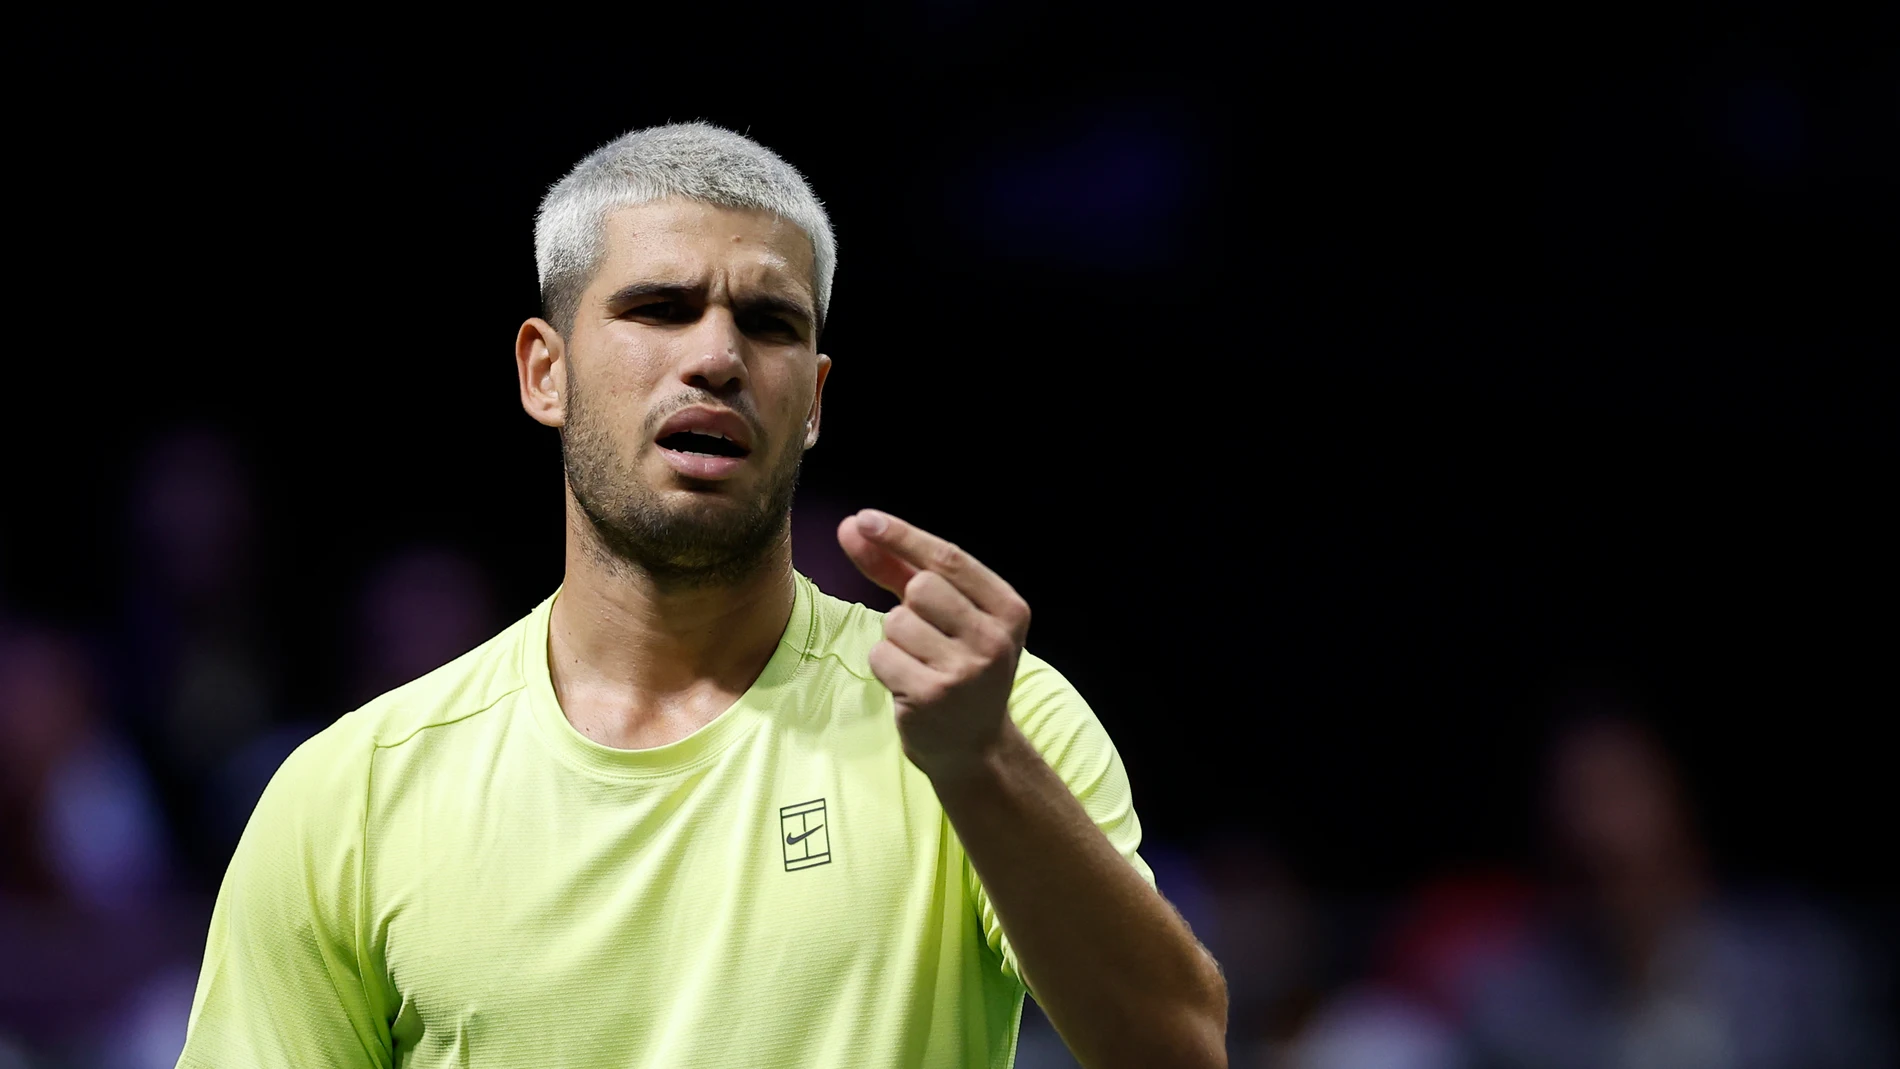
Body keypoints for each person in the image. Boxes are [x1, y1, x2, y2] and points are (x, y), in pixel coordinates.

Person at [174, 123, 1227, 1069]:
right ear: (546, 373)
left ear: (811, 400)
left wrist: (979, 762)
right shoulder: (349, 794)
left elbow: (1177, 1053)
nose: (717, 356)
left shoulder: (991, 724)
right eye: (661, 308)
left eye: (768, 324)